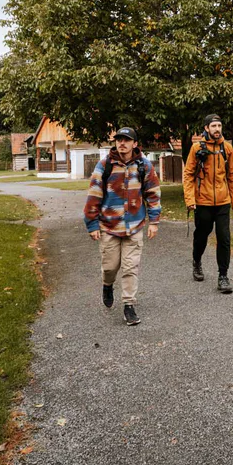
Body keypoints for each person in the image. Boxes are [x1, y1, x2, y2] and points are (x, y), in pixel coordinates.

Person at [84, 127, 161, 325]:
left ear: (135, 144)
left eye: (126, 140)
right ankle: (107, 284)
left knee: (130, 267)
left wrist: (154, 221)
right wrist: (92, 224)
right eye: (119, 139)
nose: (122, 143)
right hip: (109, 226)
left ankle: (129, 305)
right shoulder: (105, 165)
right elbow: (94, 195)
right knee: (110, 267)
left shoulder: (144, 166)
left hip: (134, 226)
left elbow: (153, 194)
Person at [183, 113, 233, 293]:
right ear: (206, 128)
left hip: (223, 202)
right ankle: (197, 261)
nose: (217, 129)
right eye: (213, 126)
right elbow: (188, 175)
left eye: (219, 126)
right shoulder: (196, 148)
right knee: (202, 235)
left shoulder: (227, 148)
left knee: (224, 238)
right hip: (203, 201)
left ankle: (223, 276)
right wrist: (190, 200)